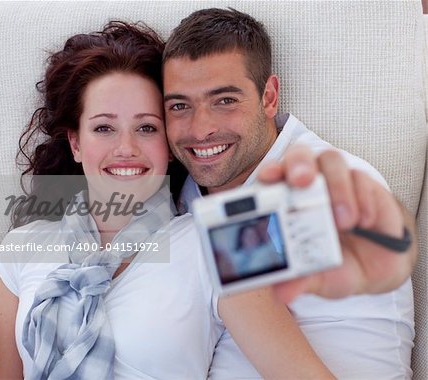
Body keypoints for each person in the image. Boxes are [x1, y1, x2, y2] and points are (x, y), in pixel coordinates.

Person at [0, 21, 335, 379]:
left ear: (168, 145)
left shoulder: (225, 242)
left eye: (147, 127)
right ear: (75, 143)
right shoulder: (22, 248)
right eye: (104, 128)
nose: (126, 149)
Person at [162, 7, 415, 379]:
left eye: (225, 100)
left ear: (269, 97)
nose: (201, 130)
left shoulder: (329, 183)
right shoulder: (193, 191)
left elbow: (218, 254)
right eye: (180, 106)